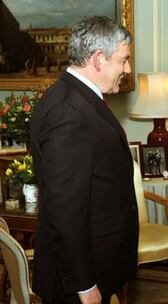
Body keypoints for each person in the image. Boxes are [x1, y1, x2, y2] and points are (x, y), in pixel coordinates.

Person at [30, 16, 138, 304]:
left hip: (97, 261)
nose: (127, 69)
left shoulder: (78, 98)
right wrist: (84, 285)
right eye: (124, 60)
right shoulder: (68, 111)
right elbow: (66, 210)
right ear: (99, 59)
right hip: (78, 280)